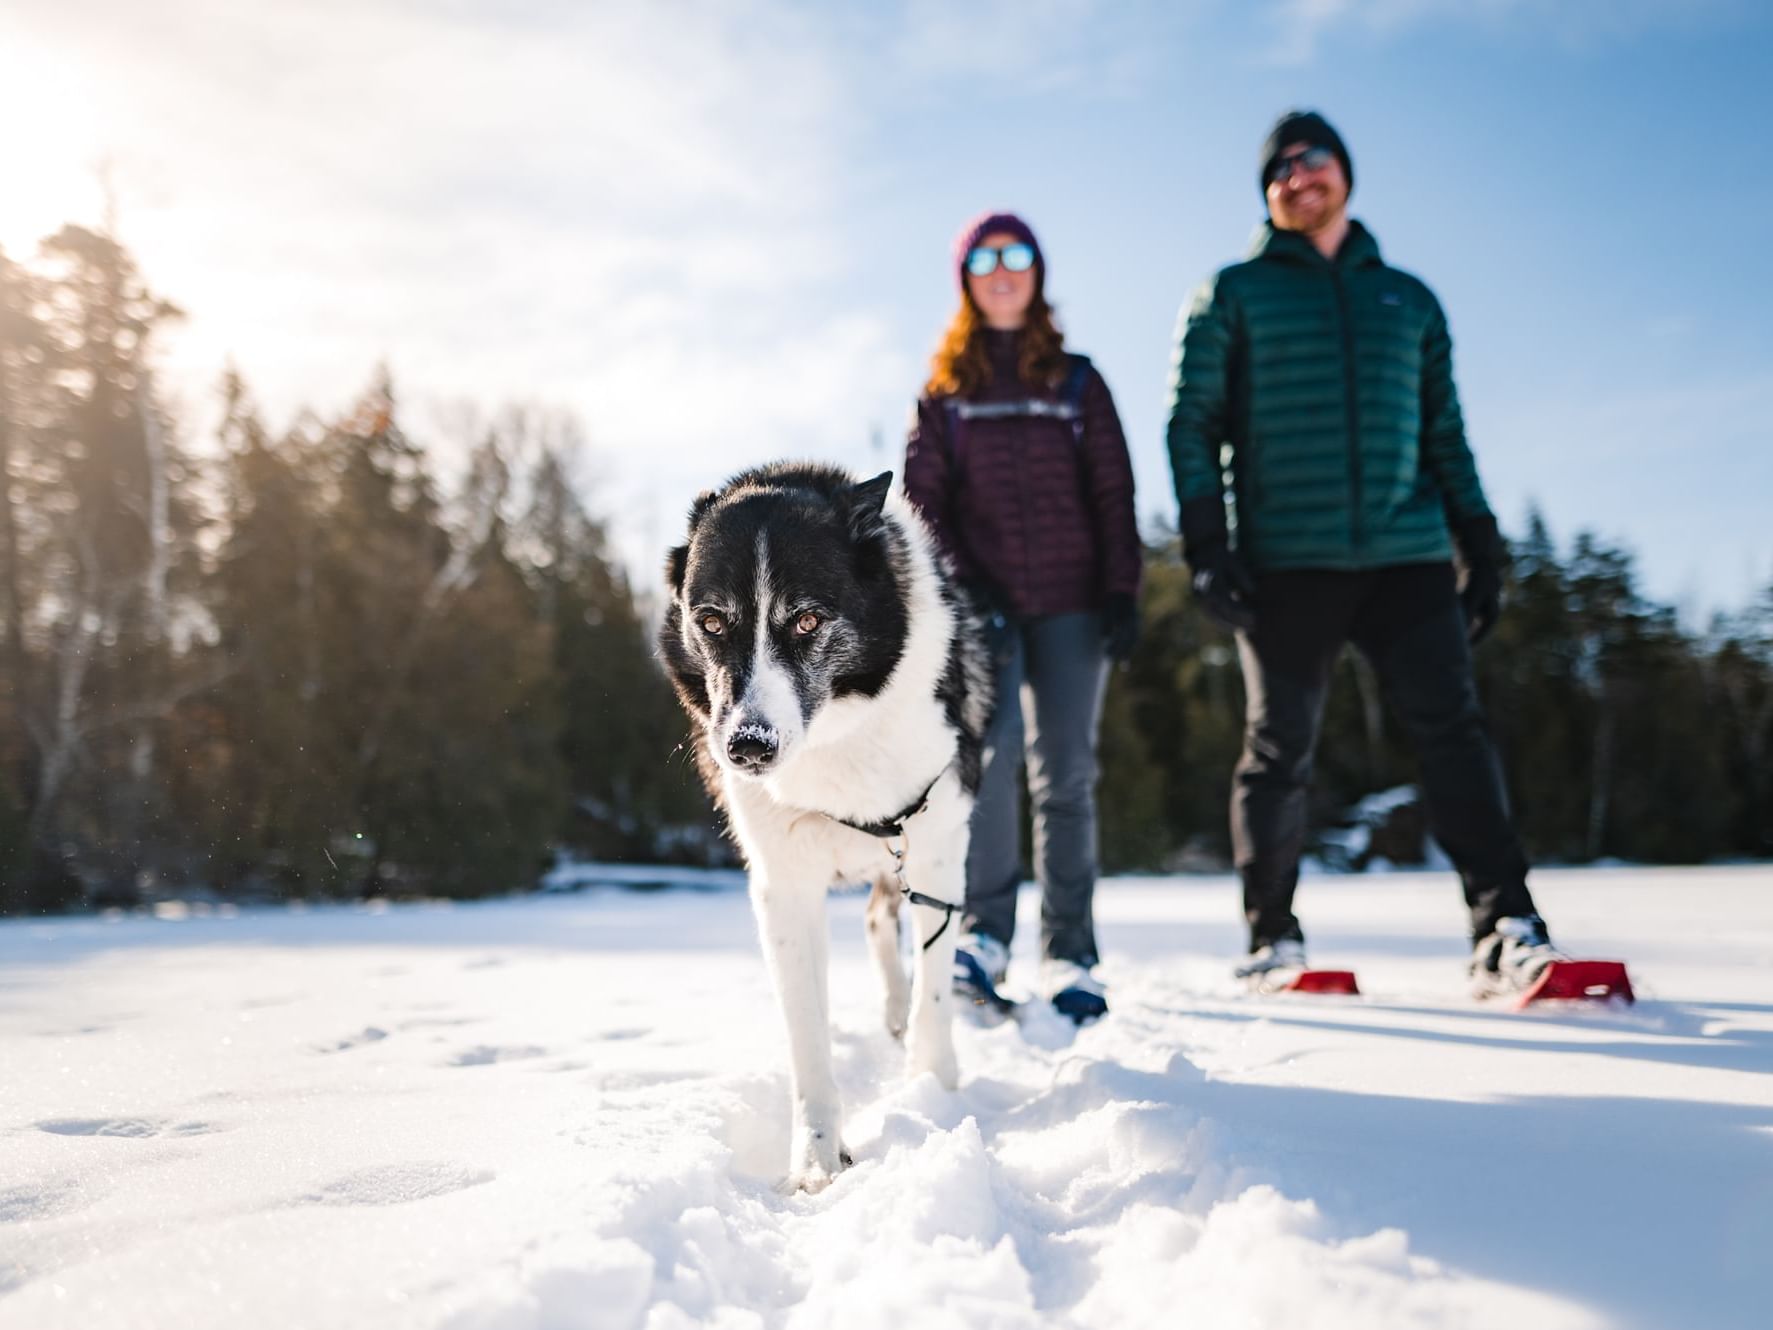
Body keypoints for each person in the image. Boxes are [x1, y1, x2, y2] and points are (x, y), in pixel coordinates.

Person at [1165, 111, 1558, 995]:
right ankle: (1273, 937)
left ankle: (1505, 924)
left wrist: (1479, 543)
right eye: (1280, 169)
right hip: (1285, 557)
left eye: (1316, 161)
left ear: (1345, 172)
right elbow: (1192, 422)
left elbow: (1444, 432)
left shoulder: (1409, 300)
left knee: (1453, 733)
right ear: (1267, 192)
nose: (1300, 177)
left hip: (1406, 552)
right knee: (1278, 750)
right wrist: (1206, 543)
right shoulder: (1231, 293)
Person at [903, 210, 1142, 1022]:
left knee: (1066, 774)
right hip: (985, 613)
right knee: (991, 760)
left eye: (1018, 256)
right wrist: (966, 594)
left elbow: (1112, 490)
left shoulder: (1076, 382)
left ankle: (1071, 953)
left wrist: (1122, 589)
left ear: (1037, 272)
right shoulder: (945, 394)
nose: (1003, 270)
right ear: (965, 279)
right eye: (985, 258)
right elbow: (921, 504)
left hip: (1074, 605)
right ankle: (984, 938)